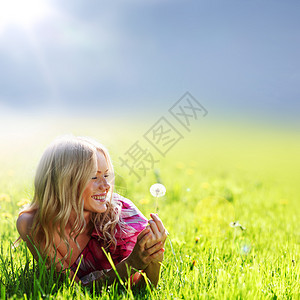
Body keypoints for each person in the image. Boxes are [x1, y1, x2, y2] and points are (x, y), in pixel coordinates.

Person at [16, 135, 167, 288]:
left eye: (106, 175)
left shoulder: (122, 217)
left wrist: (154, 259)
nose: (106, 185)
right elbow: (73, 290)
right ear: (64, 181)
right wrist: (131, 263)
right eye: (94, 177)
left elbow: (141, 290)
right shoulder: (33, 224)